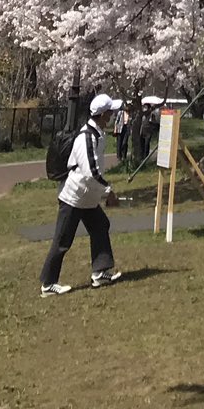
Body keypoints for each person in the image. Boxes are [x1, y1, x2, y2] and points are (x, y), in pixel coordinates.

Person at [40, 93, 124, 296]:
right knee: (62, 240)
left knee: (101, 226)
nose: (112, 115)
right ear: (103, 115)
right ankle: (48, 283)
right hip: (74, 196)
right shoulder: (86, 137)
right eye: (110, 112)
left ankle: (100, 270)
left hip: (87, 197)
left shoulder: (96, 134)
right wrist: (108, 191)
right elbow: (91, 172)